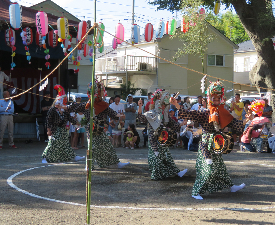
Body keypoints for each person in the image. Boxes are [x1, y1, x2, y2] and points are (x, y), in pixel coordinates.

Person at [171, 80, 245, 200]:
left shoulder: (222, 112)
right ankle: (195, 191)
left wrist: (248, 120)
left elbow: (235, 123)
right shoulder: (204, 112)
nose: (216, 101)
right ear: (210, 99)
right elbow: (189, 114)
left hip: (216, 144)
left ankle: (231, 186)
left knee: (220, 169)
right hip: (206, 145)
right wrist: (177, 105)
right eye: (214, 98)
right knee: (207, 170)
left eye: (218, 98)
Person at [75, 80, 129, 170]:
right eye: (100, 92)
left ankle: (115, 163)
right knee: (91, 147)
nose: (102, 94)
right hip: (91, 129)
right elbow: (75, 108)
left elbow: (111, 112)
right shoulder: (88, 104)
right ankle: (88, 166)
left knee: (107, 145)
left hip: (100, 128)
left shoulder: (103, 104)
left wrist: (118, 115)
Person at [137, 89, 188, 180]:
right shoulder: (152, 113)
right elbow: (141, 118)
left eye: (165, 105)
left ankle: (176, 172)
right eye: (163, 105)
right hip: (154, 138)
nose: (164, 107)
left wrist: (181, 124)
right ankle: (156, 175)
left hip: (163, 137)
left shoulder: (165, 115)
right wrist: (140, 107)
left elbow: (172, 124)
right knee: (156, 156)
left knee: (167, 157)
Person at [41, 85, 85, 163]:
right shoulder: (52, 110)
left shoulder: (65, 111)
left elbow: (70, 118)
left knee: (66, 145)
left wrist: (77, 123)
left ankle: (74, 156)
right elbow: (48, 120)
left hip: (63, 130)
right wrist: (48, 130)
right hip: (55, 129)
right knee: (53, 144)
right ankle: (45, 157)